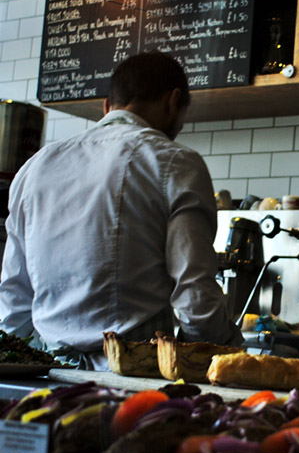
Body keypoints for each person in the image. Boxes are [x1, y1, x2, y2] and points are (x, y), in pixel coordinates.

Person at [0, 51, 243, 369]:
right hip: (131, 380)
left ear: (107, 106)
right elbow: (195, 294)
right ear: (173, 101)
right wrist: (227, 351)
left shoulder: (34, 167)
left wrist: (18, 368)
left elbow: (14, 295)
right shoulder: (175, 162)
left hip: (49, 377)